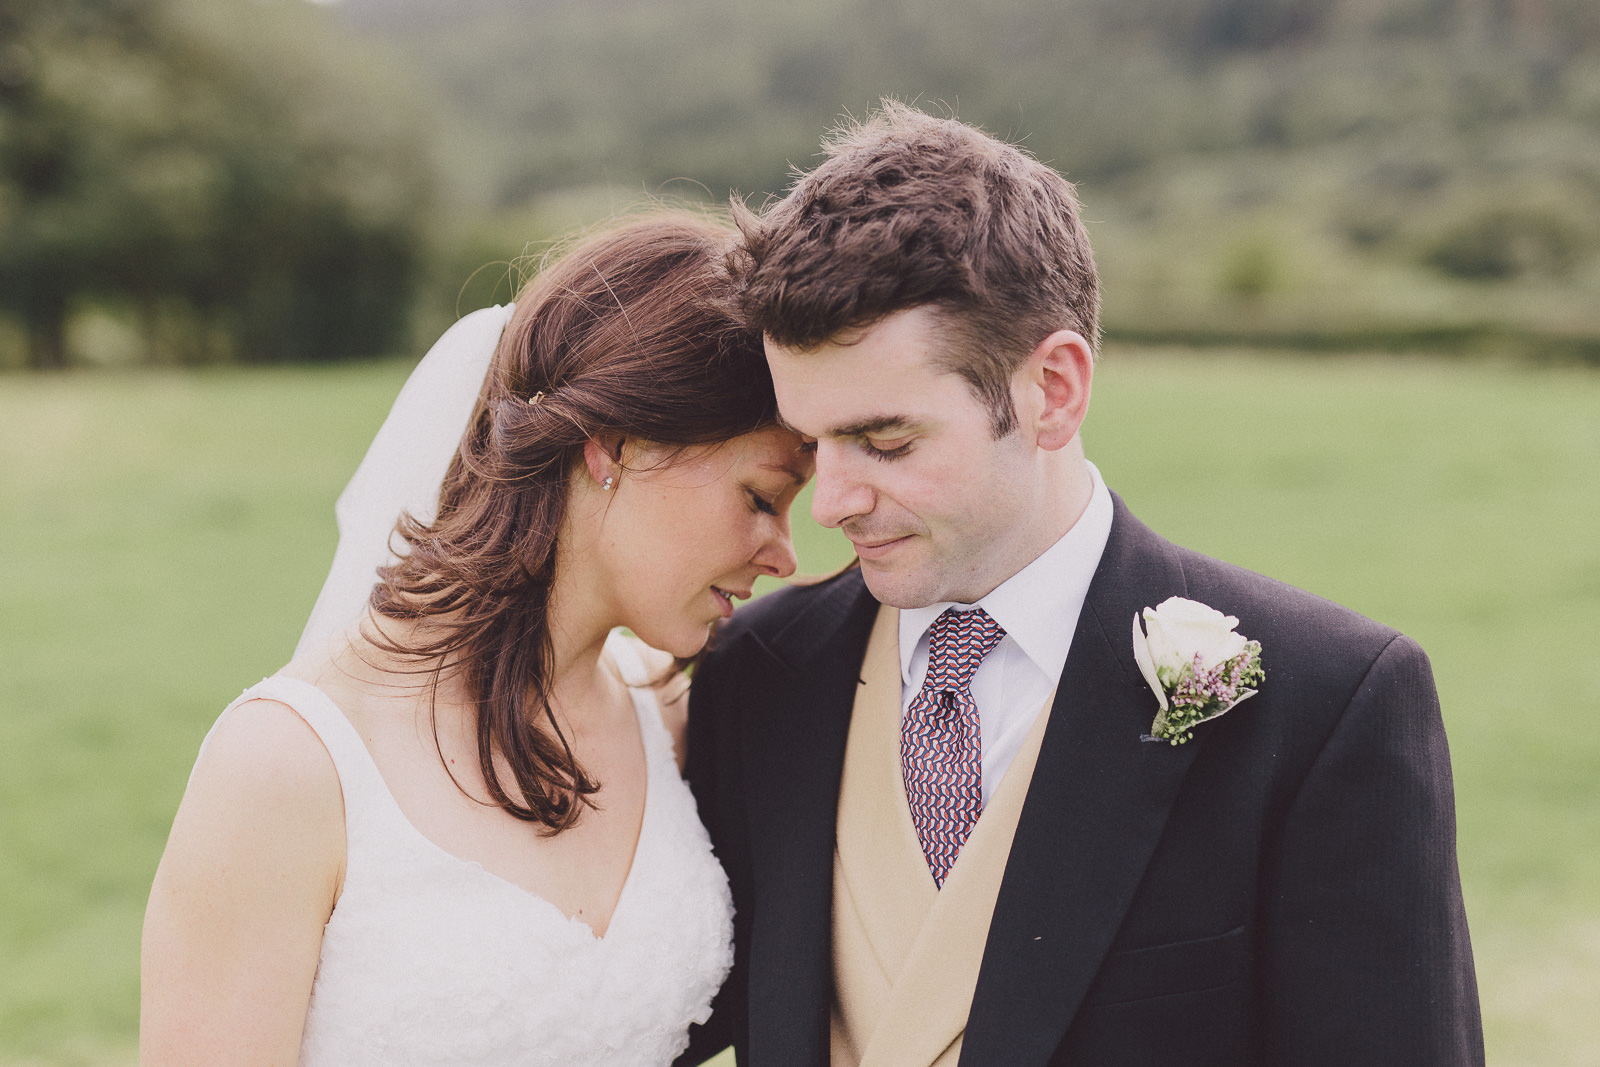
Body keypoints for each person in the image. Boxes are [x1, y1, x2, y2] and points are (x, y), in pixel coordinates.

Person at [679, 103, 1484, 1066]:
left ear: (1053, 389)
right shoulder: (759, 672)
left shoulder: (1326, 704)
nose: (831, 502)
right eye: (813, 443)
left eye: (885, 440)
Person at [141, 212, 813, 1066]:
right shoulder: (287, 766)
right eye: (762, 496)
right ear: (616, 447)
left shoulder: (668, 708)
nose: (787, 554)